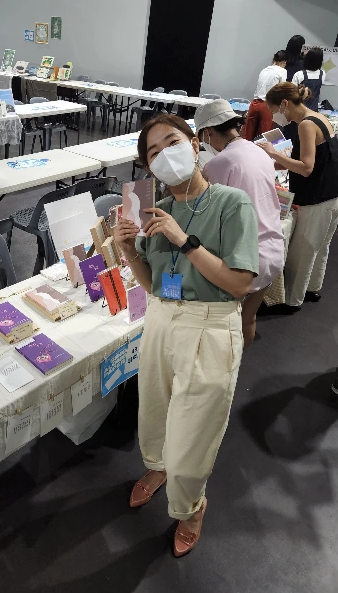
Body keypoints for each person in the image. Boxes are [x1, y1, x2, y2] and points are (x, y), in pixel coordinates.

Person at [113, 114, 259, 557]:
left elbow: (239, 283)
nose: (164, 156)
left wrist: (186, 241)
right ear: (147, 167)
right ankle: (158, 467)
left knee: (193, 435)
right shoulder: (156, 210)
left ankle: (191, 506)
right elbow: (154, 284)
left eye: (172, 142)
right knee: (153, 414)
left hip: (210, 324)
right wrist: (128, 251)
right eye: (153, 153)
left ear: (195, 144)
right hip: (161, 318)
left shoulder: (231, 202)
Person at [195, 99, 284, 346]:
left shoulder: (220, 163)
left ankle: (224, 365)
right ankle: (237, 365)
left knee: (222, 327)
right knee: (247, 319)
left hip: (244, 259)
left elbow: (206, 210)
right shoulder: (258, 150)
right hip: (272, 250)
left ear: (208, 132)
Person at [260, 82, 338, 312]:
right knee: (320, 246)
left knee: (303, 250)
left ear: (284, 104)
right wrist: (268, 163)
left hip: (315, 197)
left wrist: (273, 153)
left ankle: (292, 300)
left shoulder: (306, 124)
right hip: (330, 193)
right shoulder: (318, 117)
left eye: (274, 110)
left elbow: (306, 167)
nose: (276, 117)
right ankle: (312, 288)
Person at [242, 50, 287, 141]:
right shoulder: (282, 71)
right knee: (264, 136)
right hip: (267, 105)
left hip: (254, 104)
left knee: (247, 134)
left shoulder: (265, 69)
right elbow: (282, 89)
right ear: (284, 61)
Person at [292, 47, 325, 112]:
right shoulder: (322, 74)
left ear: (307, 59)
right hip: (314, 110)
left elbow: (292, 94)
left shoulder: (299, 74)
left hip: (300, 110)